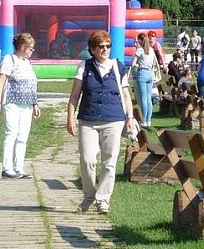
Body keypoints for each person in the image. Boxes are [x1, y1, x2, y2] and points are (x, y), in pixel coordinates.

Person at [67, 30, 135, 214]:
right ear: (93, 49)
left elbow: (127, 95)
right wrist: (70, 117)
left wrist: (130, 117)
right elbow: (74, 95)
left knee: (109, 162)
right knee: (87, 159)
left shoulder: (118, 67)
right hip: (88, 119)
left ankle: (103, 199)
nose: (105, 49)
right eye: (101, 46)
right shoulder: (84, 66)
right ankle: (89, 196)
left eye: (108, 46)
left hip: (113, 119)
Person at [0, 33, 41, 180]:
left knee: (23, 136)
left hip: (27, 104)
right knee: (11, 133)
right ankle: (7, 168)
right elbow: (1, 81)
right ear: (22, 47)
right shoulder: (9, 59)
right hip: (12, 102)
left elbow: (31, 84)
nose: (32, 51)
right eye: (30, 48)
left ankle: (19, 167)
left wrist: (35, 103)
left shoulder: (27, 62)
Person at [131, 32, 158, 128]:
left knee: (143, 98)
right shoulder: (151, 50)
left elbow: (133, 64)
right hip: (150, 74)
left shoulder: (139, 50)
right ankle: (149, 120)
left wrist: (138, 65)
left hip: (142, 74)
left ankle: (143, 120)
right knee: (148, 98)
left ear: (140, 40)